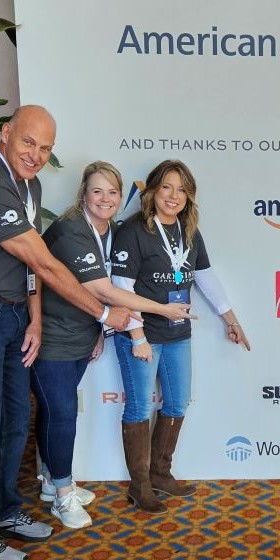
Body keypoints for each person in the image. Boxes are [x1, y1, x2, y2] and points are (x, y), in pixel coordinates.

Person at [0, 106, 133, 560]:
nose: (36, 155)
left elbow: (29, 271)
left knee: (14, 422)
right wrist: (104, 312)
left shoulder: (30, 184)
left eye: (45, 148)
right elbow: (44, 262)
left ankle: (4, 512)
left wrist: (36, 319)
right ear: (6, 135)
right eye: (28, 143)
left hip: (10, 313)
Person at [31, 161, 195, 529]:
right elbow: (105, 291)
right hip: (53, 337)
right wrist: (159, 309)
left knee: (55, 412)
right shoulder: (72, 230)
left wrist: (98, 332)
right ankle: (62, 494)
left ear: (122, 197)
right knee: (60, 414)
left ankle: (51, 481)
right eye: (96, 191)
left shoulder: (110, 230)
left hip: (79, 334)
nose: (105, 199)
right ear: (83, 194)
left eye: (112, 192)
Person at [110, 159, 251, 512]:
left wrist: (230, 318)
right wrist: (138, 337)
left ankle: (160, 472)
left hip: (177, 333)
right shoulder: (133, 230)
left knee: (176, 402)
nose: (174, 196)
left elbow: (203, 276)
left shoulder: (187, 230)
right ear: (154, 189)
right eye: (167, 187)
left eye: (182, 190)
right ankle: (139, 486)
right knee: (141, 406)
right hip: (139, 334)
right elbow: (120, 288)